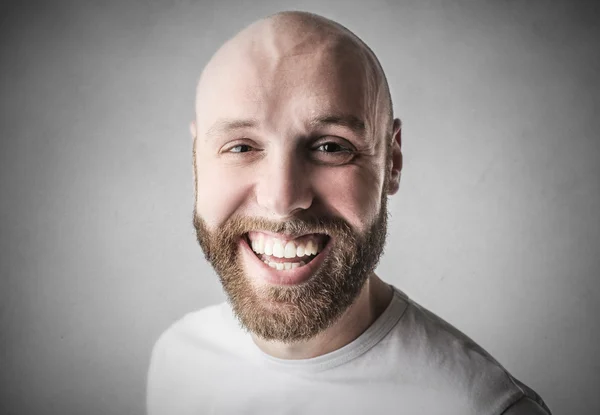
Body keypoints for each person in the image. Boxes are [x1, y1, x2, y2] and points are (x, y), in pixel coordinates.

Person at [147, 11, 551, 415]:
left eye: (331, 147)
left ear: (392, 161)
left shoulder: (485, 408)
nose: (283, 198)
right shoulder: (175, 360)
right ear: (196, 159)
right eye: (241, 147)